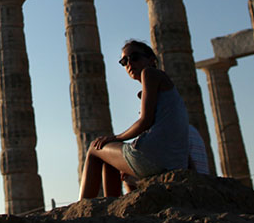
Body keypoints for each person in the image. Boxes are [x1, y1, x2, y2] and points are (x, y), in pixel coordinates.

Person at [79, 40, 190, 199]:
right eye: (124, 61)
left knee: (94, 148)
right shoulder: (163, 88)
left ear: (152, 59)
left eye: (135, 57)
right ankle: (112, 205)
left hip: (153, 157)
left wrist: (115, 138)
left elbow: (145, 121)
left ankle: (83, 206)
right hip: (173, 162)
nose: (129, 63)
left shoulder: (150, 73)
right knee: (110, 158)